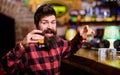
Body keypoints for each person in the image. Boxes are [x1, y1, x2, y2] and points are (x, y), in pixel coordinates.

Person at [0, 4, 95, 75]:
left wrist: (80, 36)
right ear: (36, 25)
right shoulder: (27, 49)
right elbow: (3, 70)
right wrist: (21, 47)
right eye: (45, 22)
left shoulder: (58, 42)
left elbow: (70, 47)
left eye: (53, 22)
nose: (50, 26)